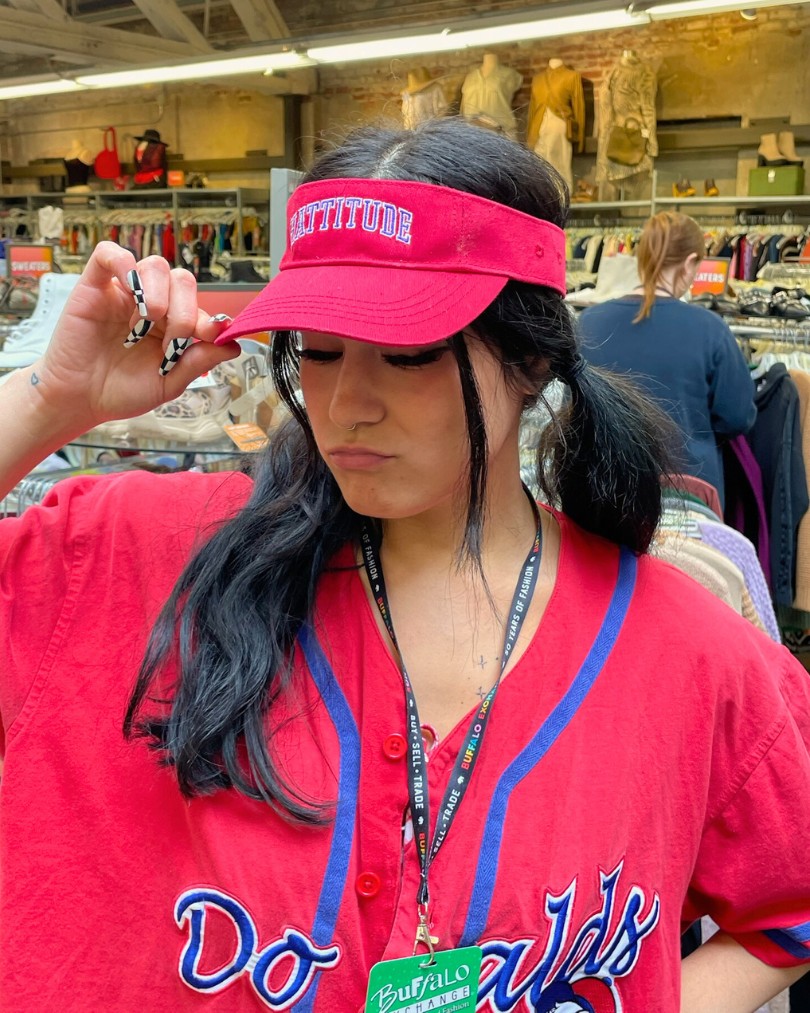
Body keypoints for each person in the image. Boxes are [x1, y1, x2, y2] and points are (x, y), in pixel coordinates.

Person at [0, 119, 808, 1012]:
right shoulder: (139, 559)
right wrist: (50, 397)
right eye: (320, 347)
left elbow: (790, 909)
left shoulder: (685, 654)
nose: (347, 404)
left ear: (531, 355)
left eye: (410, 353)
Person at [578, 211, 756, 508]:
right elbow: (737, 416)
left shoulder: (589, 322)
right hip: (688, 494)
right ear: (689, 263)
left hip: (603, 487)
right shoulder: (709, 329)